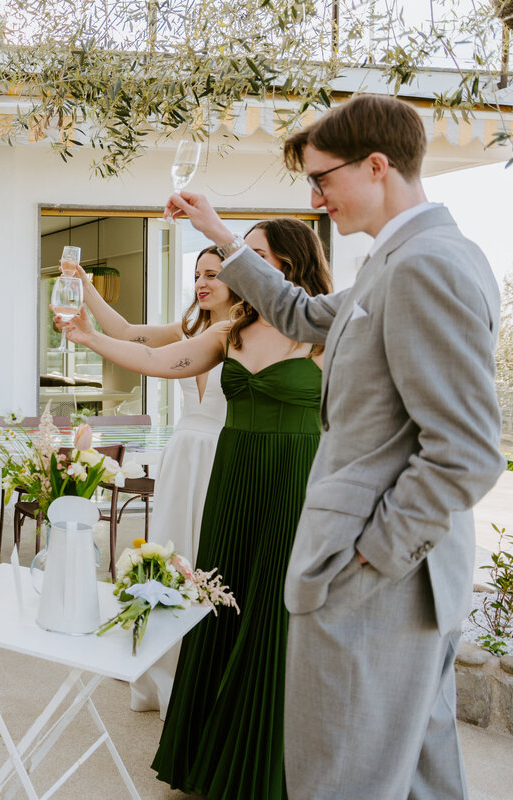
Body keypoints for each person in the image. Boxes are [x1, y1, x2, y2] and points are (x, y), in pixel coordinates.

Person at [167, 94, 504, 799]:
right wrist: (223, 239)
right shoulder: (396, 261)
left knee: (342, 774)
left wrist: (371, 552)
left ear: (376, 166)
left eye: (322, 178)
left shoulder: (426, 265)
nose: (315, 198)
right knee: (416, 773)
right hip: (397, 580)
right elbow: (299, 311)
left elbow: (467, 451)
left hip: (382, 583)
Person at [60, 217, 332, 799]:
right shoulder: (234, 328)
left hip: (296, 484)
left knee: (274, 613)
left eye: (251, 255)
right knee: (220, 604)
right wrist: (89, 340)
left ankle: (267, 765)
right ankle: (207, 756)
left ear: (287, 264)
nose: (238, 269)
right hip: (233, 480)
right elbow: (166, 361)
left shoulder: (325, 332)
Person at [66, 247, 238, 718]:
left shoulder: (250, 335)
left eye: (213, 275)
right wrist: (84, 284)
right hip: (183, 453)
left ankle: (208, 671)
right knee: (172, 553)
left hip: (224, 453)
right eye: (197, 275)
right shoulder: (190, 330)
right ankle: (164, 673)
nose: (201, 284)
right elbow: (126, 335)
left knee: (212, 557)